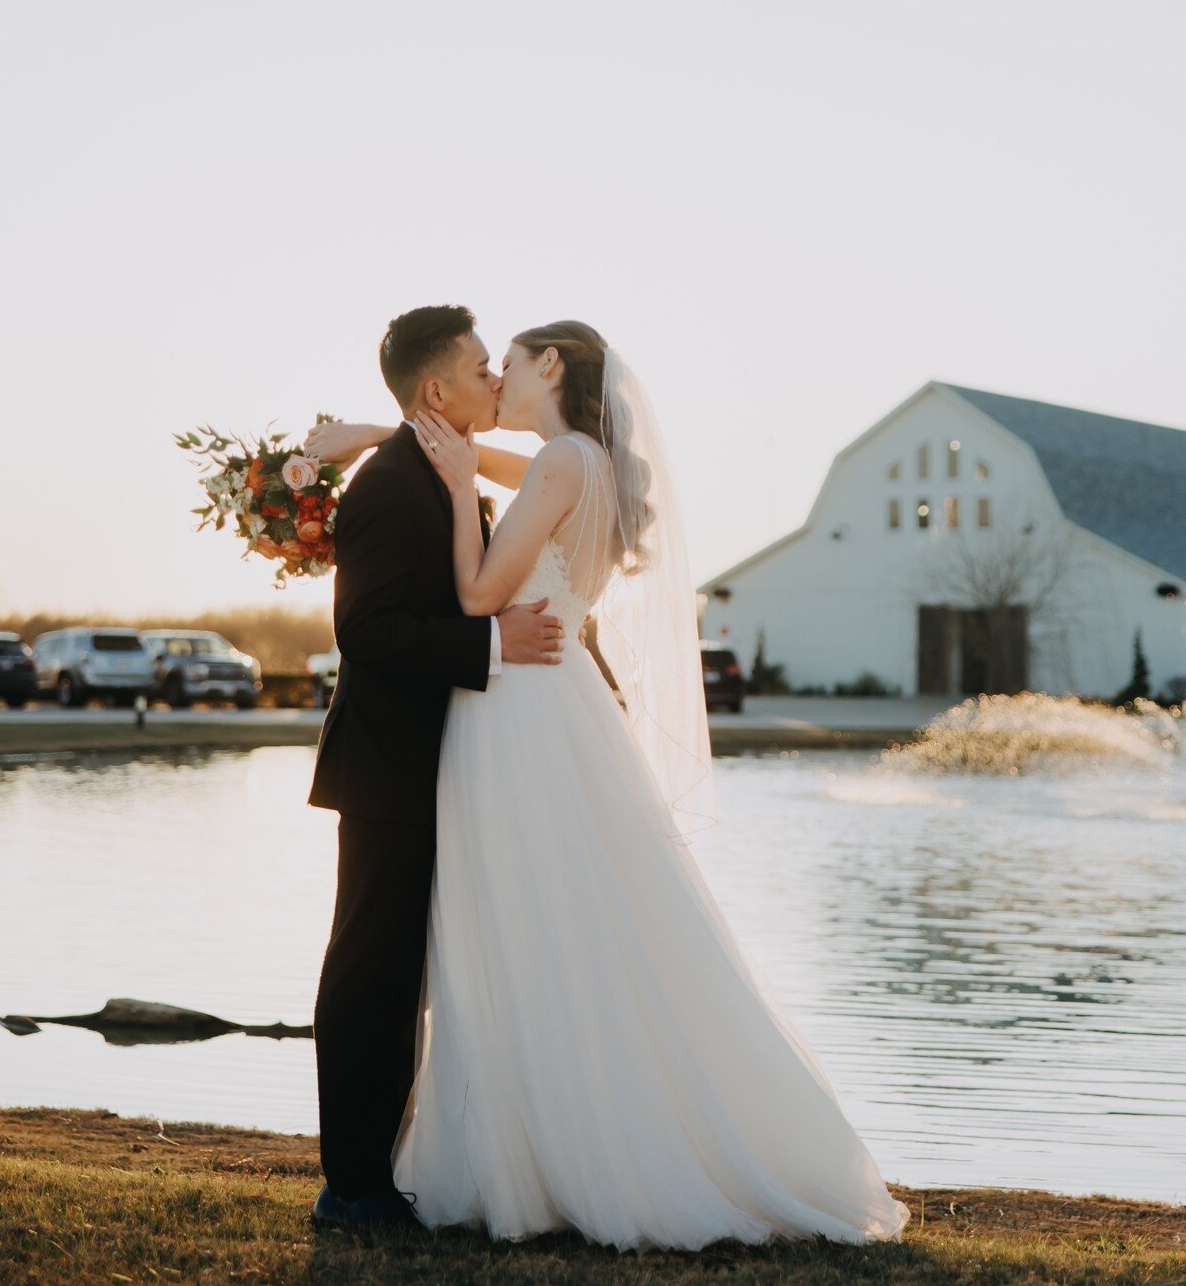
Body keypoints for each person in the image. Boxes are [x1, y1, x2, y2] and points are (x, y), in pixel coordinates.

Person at [308, 318, 908, 1250]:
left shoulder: (553, 466)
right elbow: (485, 495)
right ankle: (453, 1159)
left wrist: (461, 488)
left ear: (548, 366)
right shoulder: (579, 461)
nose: (493, 378)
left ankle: (531, 1151)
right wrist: (364, 439)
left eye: (503, 362)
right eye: (478, 367)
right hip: (528, 714)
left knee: (524, 929)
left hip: (518, 714)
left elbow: (474, 596)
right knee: (536, 927)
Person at [305, 305, 564, 1234]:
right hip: (386, 770)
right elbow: (365, 633)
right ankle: (353, 1186)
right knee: (371, 975)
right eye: (482, 365)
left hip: (433, 768)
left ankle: (384, 1170)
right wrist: (490, 642)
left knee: (404, 975)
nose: (496, 377)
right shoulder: (386, 488)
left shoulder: (436, 469)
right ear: (436, 391)